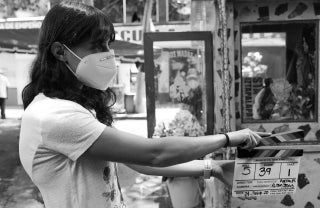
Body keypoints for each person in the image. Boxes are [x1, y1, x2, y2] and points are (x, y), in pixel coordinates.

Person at [19, 1, 269, 208]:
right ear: (60, 52)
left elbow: (141, 162)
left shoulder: (77, 109)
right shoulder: (55, 116)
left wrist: (212, 167)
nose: (108, 54)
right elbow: (154, 153)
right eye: (96, 46)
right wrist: (227, 138)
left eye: (108, 45)